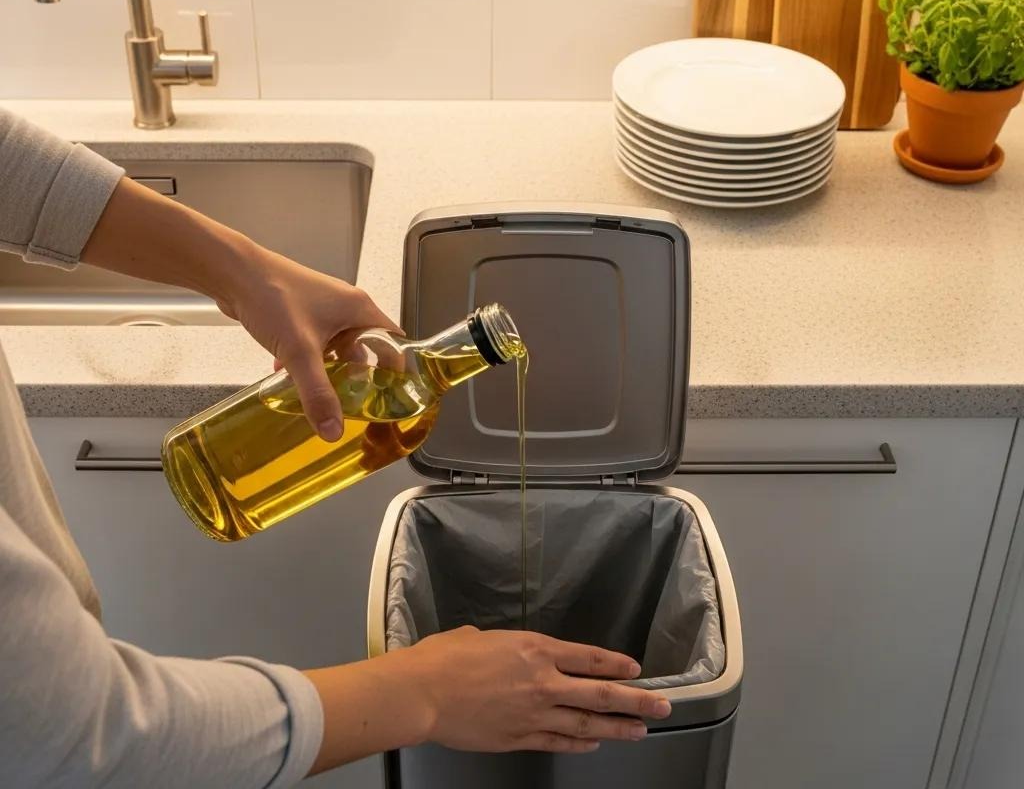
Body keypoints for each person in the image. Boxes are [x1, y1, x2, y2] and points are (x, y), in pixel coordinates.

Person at [0, 107, 671, 788]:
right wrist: (422, 693)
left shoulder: (403, 386)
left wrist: (244, 271)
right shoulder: (404, 397)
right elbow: (82, 742)